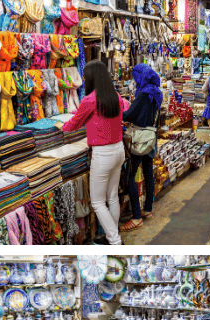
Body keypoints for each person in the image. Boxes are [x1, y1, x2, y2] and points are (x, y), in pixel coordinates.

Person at [64, 60, 129, 244]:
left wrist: (62, 127)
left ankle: (115, 242)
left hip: (103, 154)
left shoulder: (90, 100)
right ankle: (112, 237)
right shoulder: (115, 96)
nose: (84, 80)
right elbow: (126, 108)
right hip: (118, 149)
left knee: (98, 202)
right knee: (112, 197)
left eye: (85, 77)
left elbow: (74, 124)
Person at [119, 63, 161, 232]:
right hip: (150, 138)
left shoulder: (143, 94)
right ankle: (148, 210)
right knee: (148, 173)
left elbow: (129, 115)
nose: (135, 80)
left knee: (130, 176)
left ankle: (136, 217)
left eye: (135, 76)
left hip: (139, 140)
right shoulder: (156, 92)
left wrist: (120, 112)